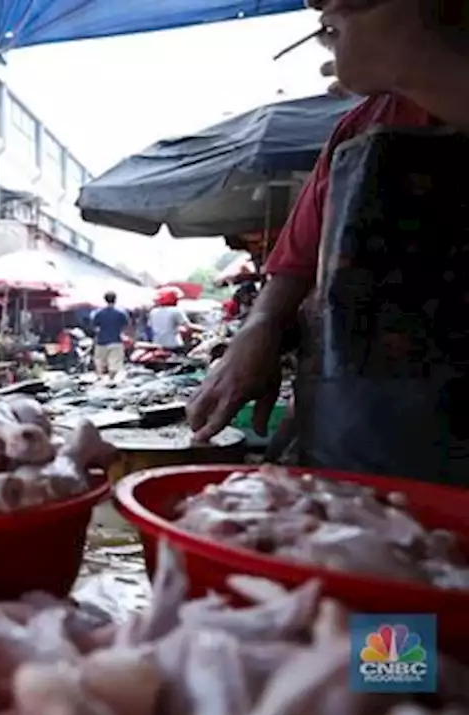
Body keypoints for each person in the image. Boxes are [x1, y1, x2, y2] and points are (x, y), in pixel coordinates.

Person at [187, 0, 469, 443]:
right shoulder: (359, 129)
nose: (316, 3)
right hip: (354, 430)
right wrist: (259, 331)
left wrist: (421, 67)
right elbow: (292, 272)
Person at [90, 291, 129, 377]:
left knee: (99, 361)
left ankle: (100, 378)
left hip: (101, 341)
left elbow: (94, 326)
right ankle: (111, 379)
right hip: (116, 340)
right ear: (115, 300)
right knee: (114, 362)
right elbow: (125, 326)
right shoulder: (121, 313)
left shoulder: (99, 313)